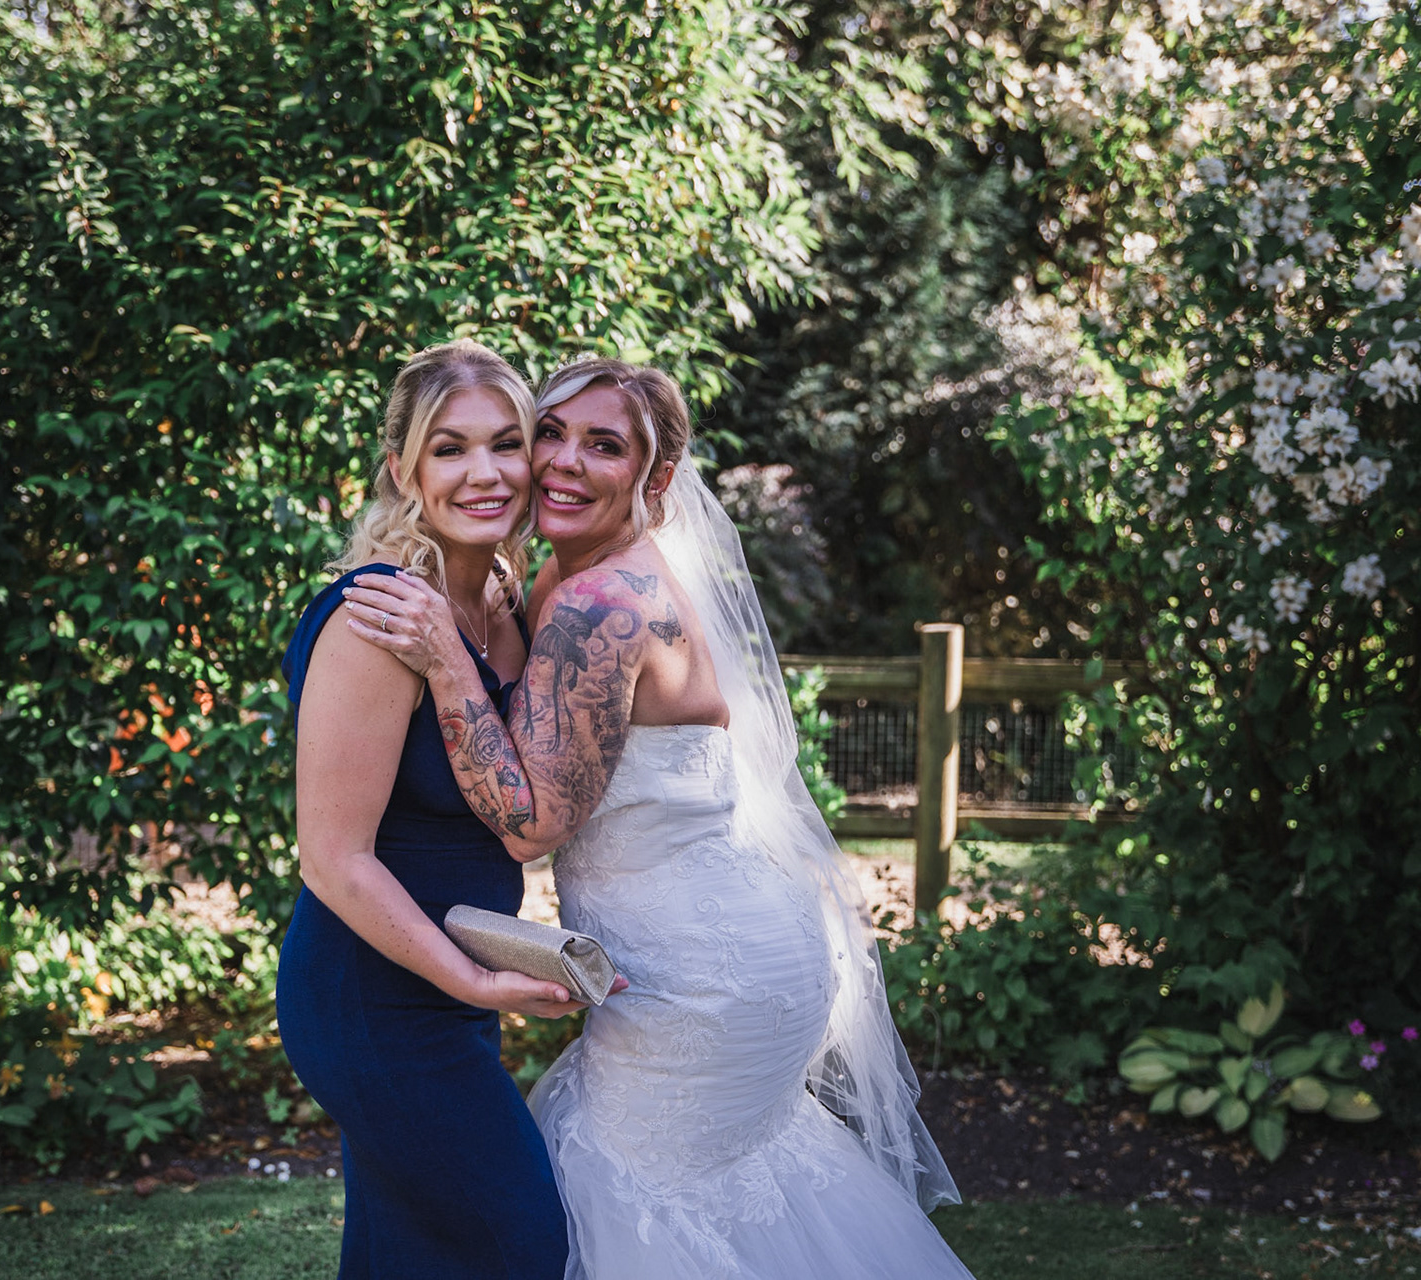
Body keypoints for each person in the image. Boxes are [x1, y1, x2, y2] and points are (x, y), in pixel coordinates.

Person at [344, 358, 976, 1278]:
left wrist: (445, 658)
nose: (563, 461)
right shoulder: (582, 575)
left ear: (657, 478)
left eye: (604, 445)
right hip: (738, 946)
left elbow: (529, 826)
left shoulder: (599, 603)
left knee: (629, 1193)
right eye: (549, 433)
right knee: (732, 1195)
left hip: (699, 974)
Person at [275, 339, 583, 1279]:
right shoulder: (379, 619)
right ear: (403, 470)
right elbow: (331, 858)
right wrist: (473, 983)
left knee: (406, 1255)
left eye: (506, 443)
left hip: (448, 984)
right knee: (521, 1243)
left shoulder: (503, 601)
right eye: (450, 449)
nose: (484, 473)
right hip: (372, 997)